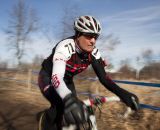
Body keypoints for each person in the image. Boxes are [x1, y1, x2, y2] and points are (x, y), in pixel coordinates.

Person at [38, 15, 139, 130]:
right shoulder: (65, 47)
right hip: (48, 77)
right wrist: (69, 100)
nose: (93, 41)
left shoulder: (94, 53)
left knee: (74, 113)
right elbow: (57, 78)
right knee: (61, 105)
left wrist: (124, 94)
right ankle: (44, 121)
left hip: (67, 80)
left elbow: (104, 78)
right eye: (89, 36)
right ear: (78, 35)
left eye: (96, 37)